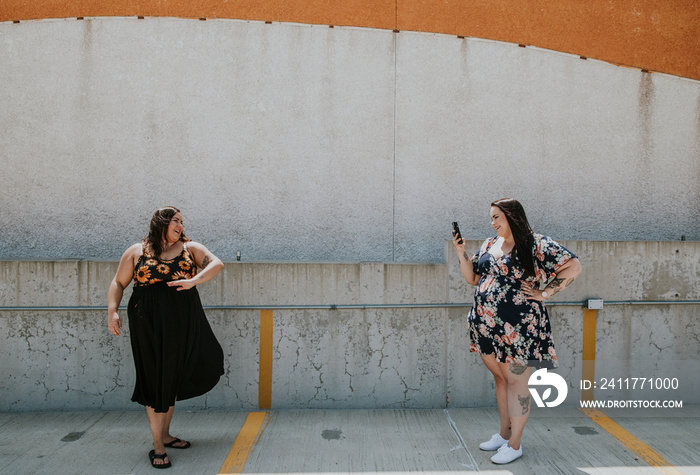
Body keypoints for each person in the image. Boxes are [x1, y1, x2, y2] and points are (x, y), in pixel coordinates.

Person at [453, 198, 581, 465]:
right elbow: (473, 278)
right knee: (501, 380)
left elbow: (573, 266)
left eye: (497, 217)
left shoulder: (536, 243)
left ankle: (515, 443)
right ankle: (503, 435)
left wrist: (545, 292)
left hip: (520, 328)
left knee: (517, 382)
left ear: (511, 216)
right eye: (491, 218)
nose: (493, 223)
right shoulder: (490, 243)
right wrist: (461, 252)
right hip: (487, 326)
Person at [107, 206, 225, 469]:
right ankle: (158, 446)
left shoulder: (189, 248)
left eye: (182, 222)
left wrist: (194, 280)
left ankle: (167, 435)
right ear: (161, 223)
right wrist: (112, 312)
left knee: (172, 375)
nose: (180, 226)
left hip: (182, 321)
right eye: (175, 221)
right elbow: (118, 283)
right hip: (146, 322)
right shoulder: (137, 251)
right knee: (153, 377)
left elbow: (217, 263)